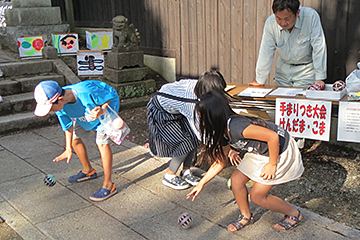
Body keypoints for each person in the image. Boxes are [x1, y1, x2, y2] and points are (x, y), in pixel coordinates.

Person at [186, 91, 304, 232]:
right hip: (260, 151)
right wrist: (201, 183)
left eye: (202, 118)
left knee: (257, 196)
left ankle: (294, 214)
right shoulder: (221, 132)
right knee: (236, 181)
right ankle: (246, 216)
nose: (202, 123)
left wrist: (272, 164)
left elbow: (273, 137)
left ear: (214, 117)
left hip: (279, 151)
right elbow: (220, 162)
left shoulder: (236, 127)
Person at [34, 80, 120, 202]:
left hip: (105, 105)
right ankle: (88, 171)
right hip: (84, 112)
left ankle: (109, 185)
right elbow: (67, 127)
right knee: (75, 139)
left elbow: (107, 97)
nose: (51, 111)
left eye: (50, 108)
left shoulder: (86, 91)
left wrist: (102, 110)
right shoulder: (60, 108)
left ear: (61, 99)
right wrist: (68, 148)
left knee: (101, 143)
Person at [146, 70, 228, 190]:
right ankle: (169, 176)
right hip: (161, 111)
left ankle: (186, 171)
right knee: (187, 141)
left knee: (192, 139)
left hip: (176, 108)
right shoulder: (192, 105)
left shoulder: (202, 86)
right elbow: (199, 131)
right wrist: (220, 146)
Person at [250, 0, 327, 88]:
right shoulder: (270, 23)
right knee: (281, 100)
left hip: (306, 73)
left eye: (287, 19)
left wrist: (319, 78)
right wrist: (260, 80)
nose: (283, 23)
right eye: (278, 18)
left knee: (302, 101)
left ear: (297, 13)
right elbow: (266, 51)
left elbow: (319, 47)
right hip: (283, 73)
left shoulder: (311, 17)